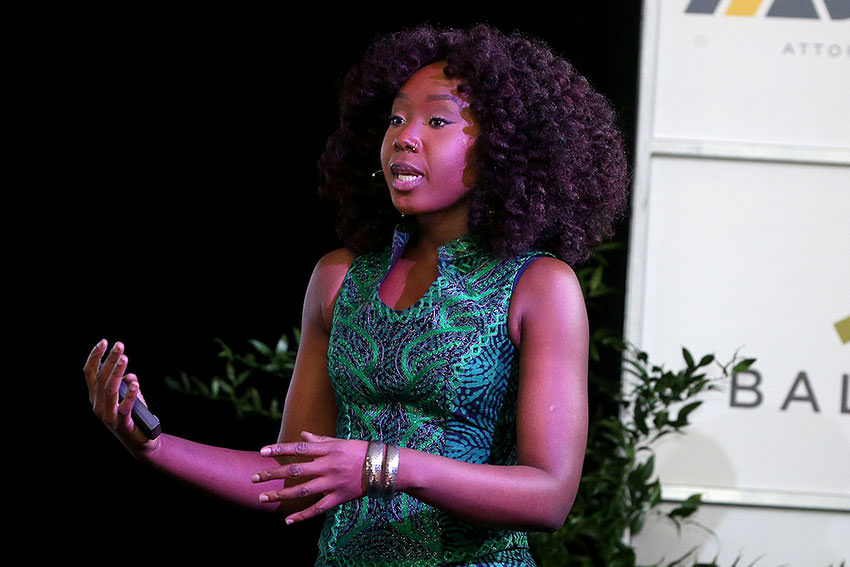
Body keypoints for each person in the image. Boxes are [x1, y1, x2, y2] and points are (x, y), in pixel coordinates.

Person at [84, 23, 629, 566]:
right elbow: (292, 479)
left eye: (437, 120)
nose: (405, 136)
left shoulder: (537, 286)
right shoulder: (339, 278)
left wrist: (382, 466)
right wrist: (154, 446)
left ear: (505, 148)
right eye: (396, 118)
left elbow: (549, 497)